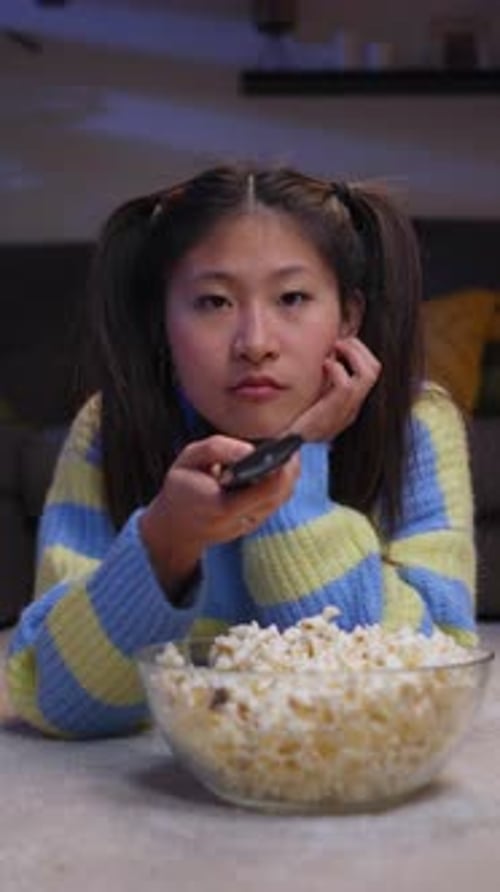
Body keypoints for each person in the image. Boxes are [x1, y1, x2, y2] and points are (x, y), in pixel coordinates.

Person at [6, 164, 477, 739]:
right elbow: (61, 703)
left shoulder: (416, 424)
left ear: (348, 315)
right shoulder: (112, 426)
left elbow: (428, 683)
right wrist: (167, 540)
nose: (255, 343)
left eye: (293, 298)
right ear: (161, 321)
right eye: (212, 303)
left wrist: (294, 461)